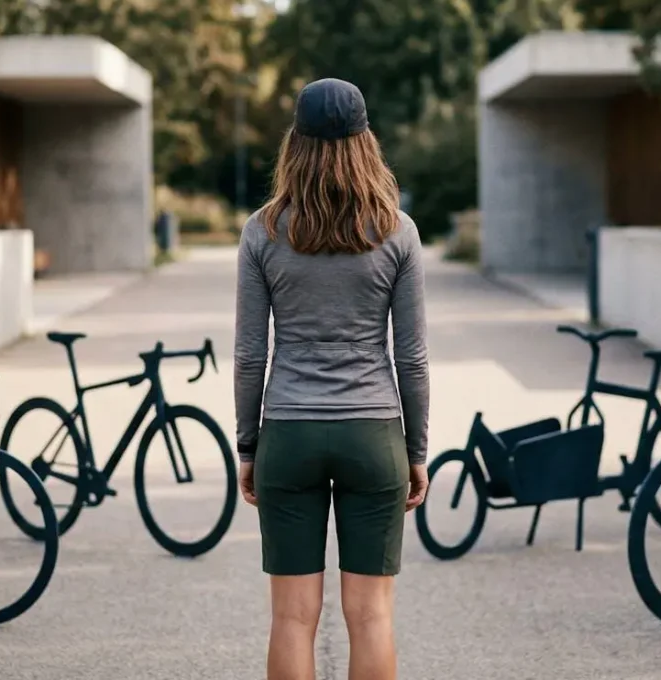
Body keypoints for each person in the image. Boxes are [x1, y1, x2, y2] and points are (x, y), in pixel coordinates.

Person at [232, 77, 431, 680]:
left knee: (292, 619)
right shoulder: (397, 231)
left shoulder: (262, 232)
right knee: (370, 617)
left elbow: (248, 355)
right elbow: (412, 358)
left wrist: (249, 445)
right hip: (373, 437)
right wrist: (415, 451)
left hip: (288, 435)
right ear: (365, 143)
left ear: (294, 143)